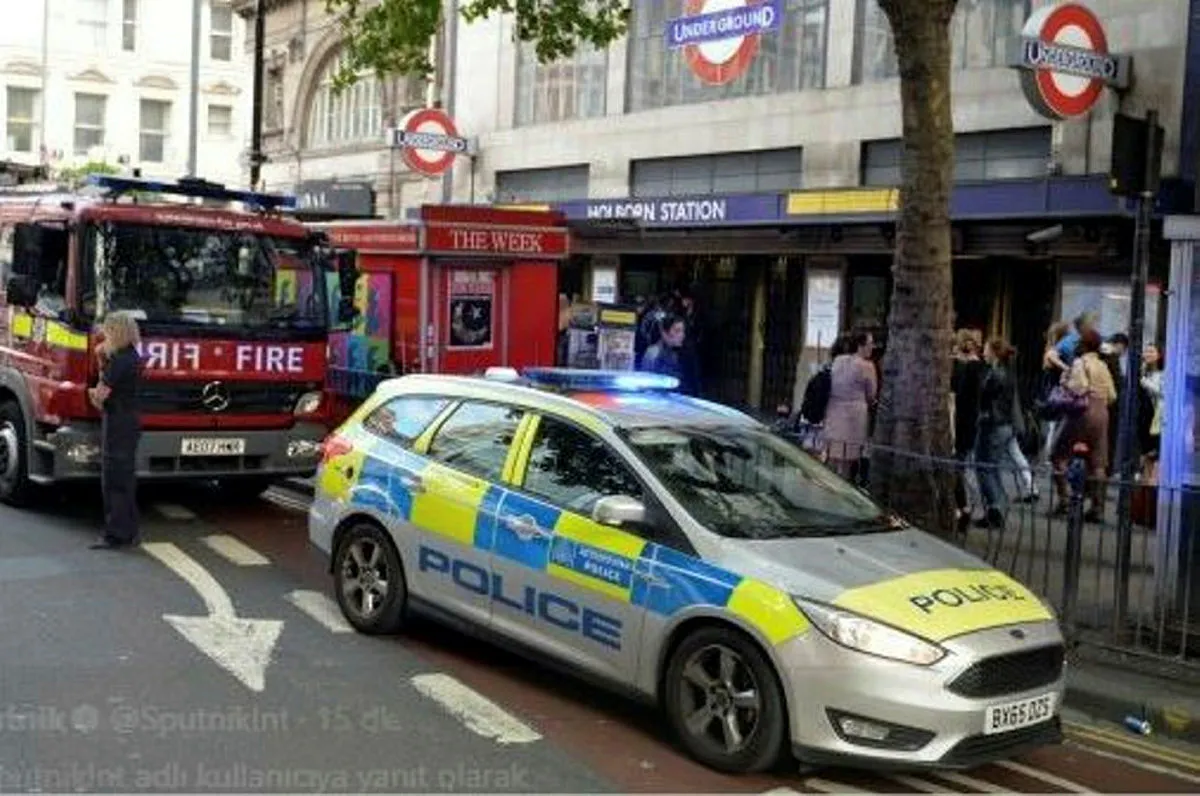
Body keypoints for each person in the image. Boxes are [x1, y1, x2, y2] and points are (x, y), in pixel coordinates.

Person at [87, 311, 143, 549]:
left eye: (107, 331)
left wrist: (91, 393)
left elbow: (100, 396)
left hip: (117, 422)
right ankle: (130, 531)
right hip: (129, 421)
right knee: (125, 480)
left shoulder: (119, 360)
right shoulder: (133, 356)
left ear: (116, 332)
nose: (104, 336)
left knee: (113, 481)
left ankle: (115, 534)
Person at [1051, 328, 1117, 522]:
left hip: (1082, 411)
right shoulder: (1103, 365)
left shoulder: (1080, 362)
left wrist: (1065, 382)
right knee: (1098, 462)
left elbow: (1079, 387)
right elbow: (1113, 395)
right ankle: (1097, 508)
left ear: (1083, 345)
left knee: (1058, 453)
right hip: (1102, 412)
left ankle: (1065, 500)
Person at [975, 338, 1020, 529]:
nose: (983, 352)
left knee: (984, 466)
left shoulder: (996, 374)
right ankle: (998, 505)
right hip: (1003, 424)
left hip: (993, 423)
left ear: (994, 352)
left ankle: (995, 508)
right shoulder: (1007, 373)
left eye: (986, 349)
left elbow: (986, 397)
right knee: (993, 467)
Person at [823, 330, 877, 480]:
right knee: (848, 457)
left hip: (834, 411)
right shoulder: (867, 366)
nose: (872, 347)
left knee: (833, 454)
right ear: (861, 345)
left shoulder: (838, 360)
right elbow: (871, 394)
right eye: (870, 343)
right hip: (854, 415)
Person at [951, 329, 985, 532]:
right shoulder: (975, 366)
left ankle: (964, 507)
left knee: (959, 467)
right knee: (961, 466)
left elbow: (959, 393)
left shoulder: (969, 367)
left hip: (961, 422)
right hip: (968, 422)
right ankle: (963, 507)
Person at [639, 313, 688, 388]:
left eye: (683, 331)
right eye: (677, 331)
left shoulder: (676, 354)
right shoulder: (653, 353)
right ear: (664, 333)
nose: (682, 335)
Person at [1140, 343, 1165, 480]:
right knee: (1145, 454)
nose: (1147, 354)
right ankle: (1145, 483)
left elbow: (1162, 392)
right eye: (1146, 351)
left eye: (1151, 351)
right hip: (1145, 417)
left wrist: (1145, 382)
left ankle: (1152, 483)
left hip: (1157, 417)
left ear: (1159, 355)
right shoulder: (1144, 372)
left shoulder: (1162, 374)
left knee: (1154, 454)